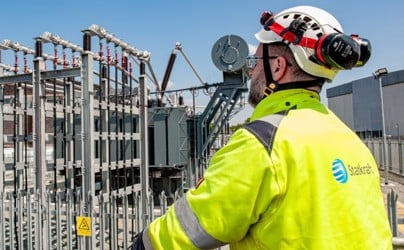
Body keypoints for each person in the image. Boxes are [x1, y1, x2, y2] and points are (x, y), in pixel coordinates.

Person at [133, 5, 393, 249]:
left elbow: (193, 225)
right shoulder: (348, 139)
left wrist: (142, 243)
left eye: (256, 61)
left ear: (278, 68)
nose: (251, 70)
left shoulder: (263, 140)